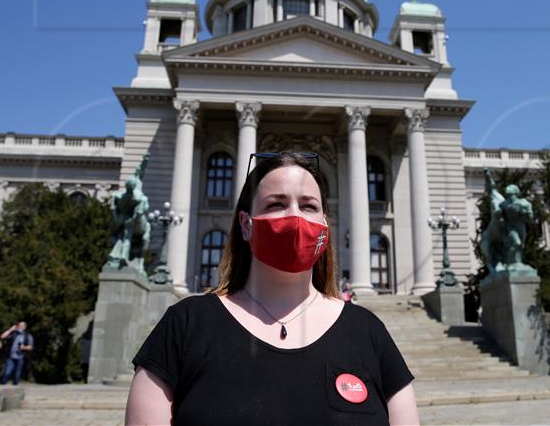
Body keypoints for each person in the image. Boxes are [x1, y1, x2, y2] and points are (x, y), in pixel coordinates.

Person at [126, 152, 419, 426]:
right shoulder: (185, 326)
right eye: (276, 204)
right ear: (245, 224)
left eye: (309, 206)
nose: (295, 218)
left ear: (325, 225)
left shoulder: (368, 332)